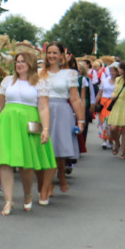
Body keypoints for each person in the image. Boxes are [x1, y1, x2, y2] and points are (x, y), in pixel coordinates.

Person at [0, 51, 55, 214]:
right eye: (17, 61)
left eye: (23, 62)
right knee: (5, 162)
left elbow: (43, 107)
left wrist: (46, 129)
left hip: (28, 122)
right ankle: (8, 201)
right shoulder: (7, 81)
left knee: (26, 163)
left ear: (31, 64)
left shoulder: (40, 83)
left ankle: (27, 195)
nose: (19, 64)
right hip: (8, 122)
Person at [39, 42, 85, 200]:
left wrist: (81, 120)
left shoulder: (70, 74)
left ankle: (61, 176)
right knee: (46, 148)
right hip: (42, 110)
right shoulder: (39, 73)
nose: (51, 56)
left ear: (61, 56)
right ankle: (48, 183)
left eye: (54, 53)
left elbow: (75, 98)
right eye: (49, 53)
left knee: (59, 148)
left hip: (62, 111)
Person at [107, 61, 125, 159]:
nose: (119, 70)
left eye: (121, 68)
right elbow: (115, 91)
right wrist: (113, 95)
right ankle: (117, 143)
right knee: (113, 128)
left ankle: (123, 152)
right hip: (117, 104)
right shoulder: (118, 79)